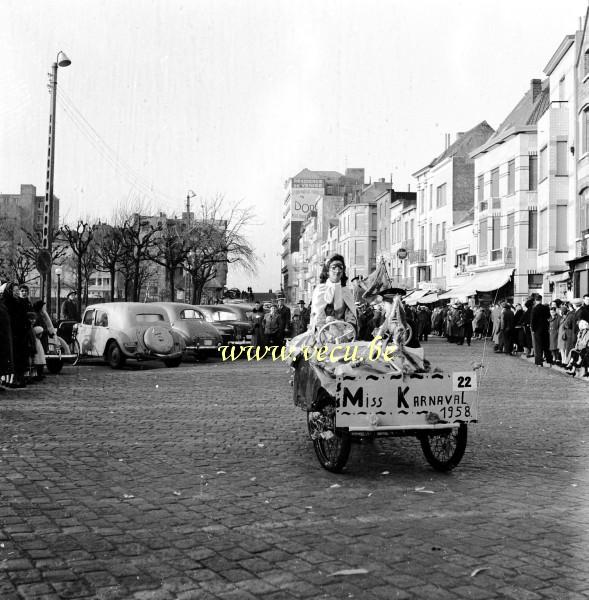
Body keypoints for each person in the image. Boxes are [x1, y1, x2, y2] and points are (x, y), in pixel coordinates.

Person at [309, 254, 357, 333]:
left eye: (340, 268)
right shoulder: (320, 290)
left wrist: (347, 331)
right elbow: (317, 316)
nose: (337, 271)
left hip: (343, 333)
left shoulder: (346, 291)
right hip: (323, 333)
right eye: (334, 268)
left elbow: (351, 315)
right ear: (327, 271)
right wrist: (325, 332)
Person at [530, 294, 552, 366]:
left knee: (538, 346)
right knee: (546, 345)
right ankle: (549, 360)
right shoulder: (546, 308)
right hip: (545, 328)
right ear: (541, 299)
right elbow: (549, 316)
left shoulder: (535, 309)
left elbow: (533, 320)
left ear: (535, 300)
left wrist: (533, 329)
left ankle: (539, 362)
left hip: (537, 330)